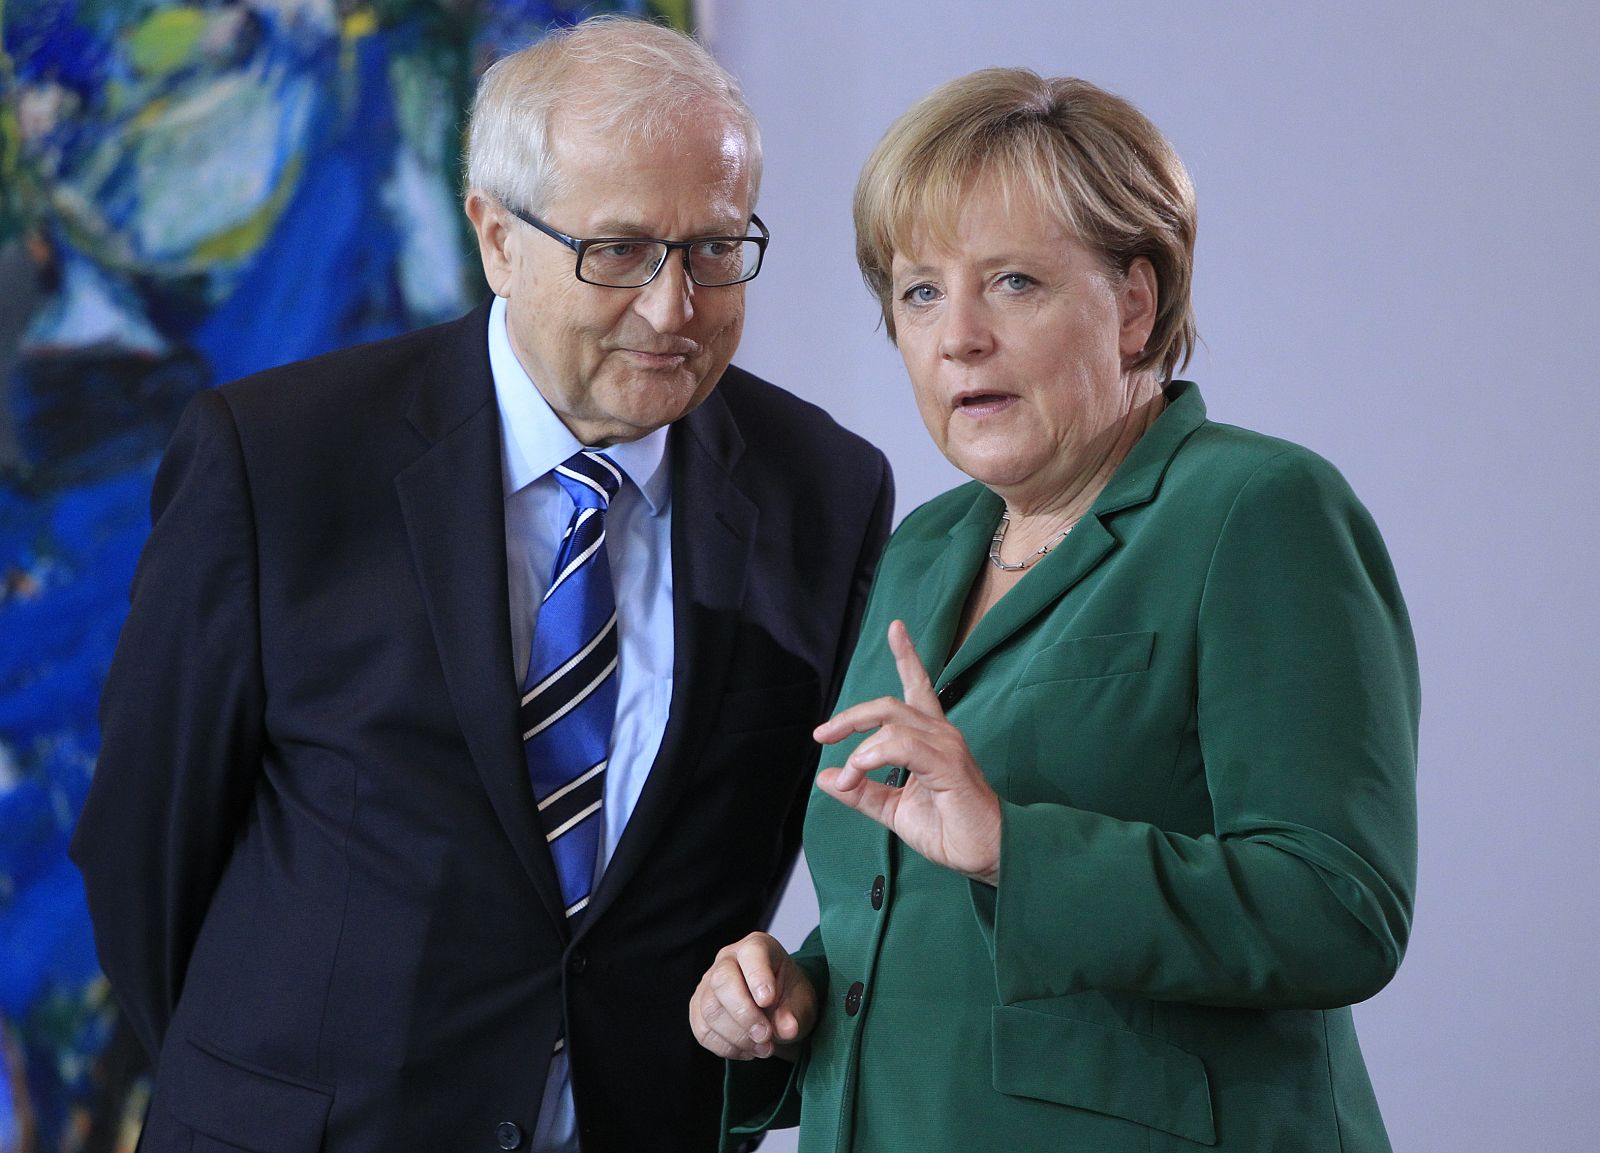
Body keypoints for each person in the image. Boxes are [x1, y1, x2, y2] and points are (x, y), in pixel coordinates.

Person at [72, 16, 892, 1153]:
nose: (674, 309)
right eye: (617, 251)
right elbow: (143, 853)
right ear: (495, 238)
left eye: (711, 248)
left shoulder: (827, 491)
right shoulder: (279, 459)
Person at [692, 67, 1418, 1153]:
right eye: (919, 290)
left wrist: (1011, 850)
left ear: (1134, 303)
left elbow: (1338, 910)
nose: (957, 336)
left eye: (1014, 282)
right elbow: (913, 914)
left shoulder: (1254, 509)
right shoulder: (926, 547)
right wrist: (787, 996)